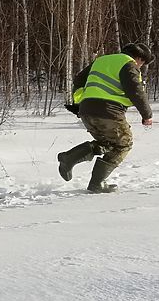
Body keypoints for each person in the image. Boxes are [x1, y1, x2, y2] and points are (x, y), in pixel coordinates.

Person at [57, 42, 154, 193]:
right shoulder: (129, 64)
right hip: (109, 112)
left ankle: (69, 158)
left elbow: (78, 81)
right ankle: (97, 183)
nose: (141, 66)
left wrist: (78, 103)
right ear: (139, 58)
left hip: (86, 110)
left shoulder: (101, 61)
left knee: (108, 143)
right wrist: (147, 115)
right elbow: (136, 91)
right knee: (123, 144)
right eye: (143, 63)